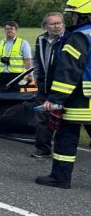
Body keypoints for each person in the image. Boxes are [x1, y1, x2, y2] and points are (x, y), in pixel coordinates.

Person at [35, 0, 91, 189]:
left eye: (74, 15)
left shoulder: (79, 37)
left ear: (84, 15)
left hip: (80, 101)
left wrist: (55, 99)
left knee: (66, 138)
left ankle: (60, 177)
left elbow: (69, 70)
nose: (72, 19)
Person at [30, 12, 65, 158]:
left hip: (64, 87)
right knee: (42, 118)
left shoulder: (68, 39)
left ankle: (64, 150)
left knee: (68, 120)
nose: (57, 26)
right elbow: (37, 60)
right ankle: (43, 149)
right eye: (53, 24)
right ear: (45, 26)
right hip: (44, 87)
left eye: (59, 23)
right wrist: (38, 79)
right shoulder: (41, 39)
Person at [0, 21, 32, 92]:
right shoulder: (0, 43)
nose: (9, 31)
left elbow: (27, 60)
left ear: (16, 30)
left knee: (13, 97)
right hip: (1, 75)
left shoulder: (23, 43)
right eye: (7, 29)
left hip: (15, 76)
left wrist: (29, 75)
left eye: (11, 29)